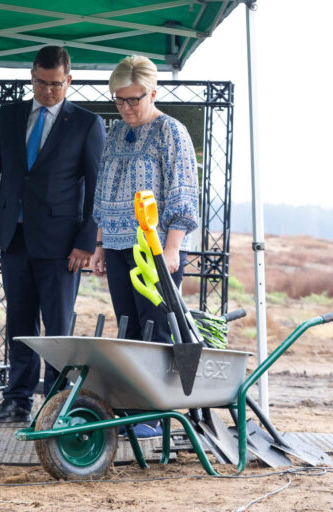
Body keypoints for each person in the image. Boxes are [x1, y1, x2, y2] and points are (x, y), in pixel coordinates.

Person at [0, 46, 105, 423]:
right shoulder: (10, 115)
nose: (47, 91)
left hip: (62, 244)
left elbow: (97, 187)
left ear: (69, 80)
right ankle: (16, 400)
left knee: (57, 329)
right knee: (19, 324)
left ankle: (55, 405)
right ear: (31, 76)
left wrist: (86, 241)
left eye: (55, 84)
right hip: (12, 238)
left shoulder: (85, 123)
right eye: (40, 83)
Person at [90, 55, 199, 438]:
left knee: (156, 332)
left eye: (133, 99)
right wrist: (100, 245)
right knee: (130, 330)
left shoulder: (172, 131)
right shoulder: (116, 132)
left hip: (155, 248)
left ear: (153, 92)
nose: (125, 107)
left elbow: (182, 194)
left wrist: (171, 249)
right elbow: (104, 191)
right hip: (118, 247)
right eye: (119, 100)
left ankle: (155, 416)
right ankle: (132, 413)